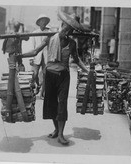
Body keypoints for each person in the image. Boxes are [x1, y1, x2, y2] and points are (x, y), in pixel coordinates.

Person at [21, 11, 89, 145]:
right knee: (52, 104)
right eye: (65, 27)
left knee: (62, 104)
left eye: (70, 29)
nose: (67, 31)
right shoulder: (50, 37)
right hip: (50, 75)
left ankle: (61, 134)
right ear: (61, 24)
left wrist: (88, 70)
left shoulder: (72, 44)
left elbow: (77, 60)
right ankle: (57, 129)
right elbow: (35, 51)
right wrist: (20, 56)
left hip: (64, 76)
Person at [30, 14, 51, 98]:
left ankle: (42, 93)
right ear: (39, 23)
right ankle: (37, 86)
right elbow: (32, 46)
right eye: (41, 21)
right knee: (34, 75)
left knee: (46, 75)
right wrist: (31, 58)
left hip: (46, 57)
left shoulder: (49, 33)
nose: (43, 23)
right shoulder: (34, 33)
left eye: (45, 21)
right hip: (37, 56)